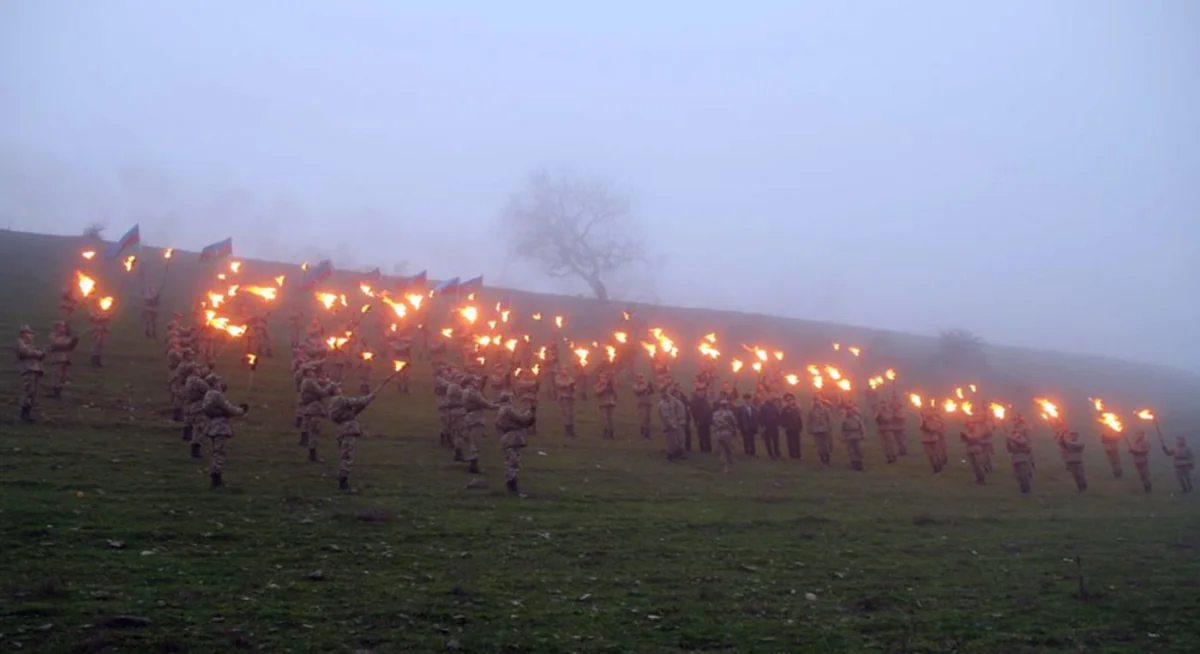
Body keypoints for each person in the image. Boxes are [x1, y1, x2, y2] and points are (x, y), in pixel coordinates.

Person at [201, 374, 248, 488]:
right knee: (220, 453)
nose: (220, 383)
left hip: (212, 426)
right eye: (218, 381)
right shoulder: (217, 395)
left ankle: (214, 474)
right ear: (214, 383)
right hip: (220, 427)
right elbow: (228, 408)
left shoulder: (208, 394)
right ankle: (216, 478)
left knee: (215, 452)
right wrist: (241, 410)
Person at [328, 386, 378, 490]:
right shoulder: (340, 399)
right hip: (348, 429)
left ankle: (343, 479)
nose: (340, 388)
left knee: (345, 455)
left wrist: (366, 402)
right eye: (337, 387)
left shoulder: (333, 402)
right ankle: (343, 483)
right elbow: (357, 402)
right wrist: (369, 397)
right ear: (335, 391)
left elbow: (353, 412)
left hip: (342, 430)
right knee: (347, 457)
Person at [494, 391, 536, 494]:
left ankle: (511, 484)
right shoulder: (508, 409)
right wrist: (531, 410)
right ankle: (512, 485)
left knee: (510, 461)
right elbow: (523, 420)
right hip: (512, 437)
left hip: (506, 436)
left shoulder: (501, 409)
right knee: (513, 462)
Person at [15, 325, 46, 422]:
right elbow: (24, 352)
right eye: (29, 333)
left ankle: (29, 413)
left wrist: (43, 353)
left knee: (33, 393)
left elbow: (38, 355)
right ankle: (24, 414)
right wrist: (38, 353)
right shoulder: (20, 342)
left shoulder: (31, 345)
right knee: (28, 391)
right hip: (28, 369)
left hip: (35, 369)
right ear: (24, 333)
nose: (31, 335)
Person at [46, 321, 79, 399]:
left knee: (61, 376)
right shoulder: (53, 335)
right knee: (55, 376)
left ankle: (58, 393)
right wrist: (70, 342)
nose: (63, 328)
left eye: (64, 327)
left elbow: (69, 347)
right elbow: (56, 344)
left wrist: (74, 342)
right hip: (56, 358)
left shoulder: (66, 337)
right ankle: (56, 392)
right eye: (61, 326)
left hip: (64, 359)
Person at [658, 386, 687, 462]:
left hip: (678, 423)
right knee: (671, 441)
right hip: (670, 426)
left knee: (680, 439)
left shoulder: (673, 400)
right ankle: (671, 456)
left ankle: (679, 454)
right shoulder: (663, 404)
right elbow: (666, 416)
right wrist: (673, 424)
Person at [712, 399, 738, 473]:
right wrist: (734, 430)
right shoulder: (729, 413)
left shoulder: (715, 414)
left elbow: (714, 423)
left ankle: (725, 462)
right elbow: (734, 423)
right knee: (727, 449)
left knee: (723, 449)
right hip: (727, 433)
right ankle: (726, 466)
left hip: (718, 434)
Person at [593, 371, 617, 439]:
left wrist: (612, 385)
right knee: (605, 419)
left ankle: (611, 433)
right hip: (603, 404)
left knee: (611, 419)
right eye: (601, 378)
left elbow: (615, 393)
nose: (603, 379)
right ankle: (605, 432)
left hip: (611, 403)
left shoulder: (610, 385)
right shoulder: (596, 386)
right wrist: (605, 385)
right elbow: (599, 392)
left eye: (605, 378)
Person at [780, 393, 803, 459]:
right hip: (789, 428)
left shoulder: (796, 409)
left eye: (791, 400)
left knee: (797, 442)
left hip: (796, 428)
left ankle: (798, 455)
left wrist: (800, 426)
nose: (790, 401)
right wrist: (784, 426)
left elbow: (799, 418)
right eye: (788, 400)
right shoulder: (785, 409)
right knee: (790, 442)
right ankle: (792, 455)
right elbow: (782, 418)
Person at [759, 395, 782, 460]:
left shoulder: (773, 406)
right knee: (771, 441)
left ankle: (774, 453)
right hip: (769, 426)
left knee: (773, 441)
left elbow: (777, 415)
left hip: (771, 426)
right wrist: (762, 426)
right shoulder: (766, 407)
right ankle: (773, 453)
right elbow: (762, 417)